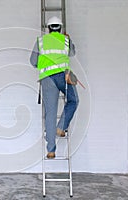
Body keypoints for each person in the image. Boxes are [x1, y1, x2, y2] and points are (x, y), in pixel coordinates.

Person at [30, 16, 79, 159]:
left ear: (48, 28)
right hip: (63, 77)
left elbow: (33, 62)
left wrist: (43, 64)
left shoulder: (40, 41)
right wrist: (69, 40)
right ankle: (61, 126)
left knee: (50, 113)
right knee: (74, 100)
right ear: (61, 28)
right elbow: (72, 53)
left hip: (47, 79)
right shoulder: (65, 40)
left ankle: (51, 150)